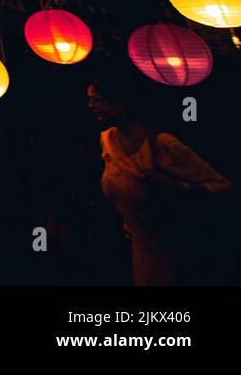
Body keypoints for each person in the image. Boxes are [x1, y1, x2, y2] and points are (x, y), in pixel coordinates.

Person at [88, 71, 234, 285]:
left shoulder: (161, 145)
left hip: (173, 246)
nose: (91, 106)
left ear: (119, 103)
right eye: (90, 101)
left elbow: (224, 186)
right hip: (137, 245)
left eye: (97, 100)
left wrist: (176, 186)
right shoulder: (107, 141)